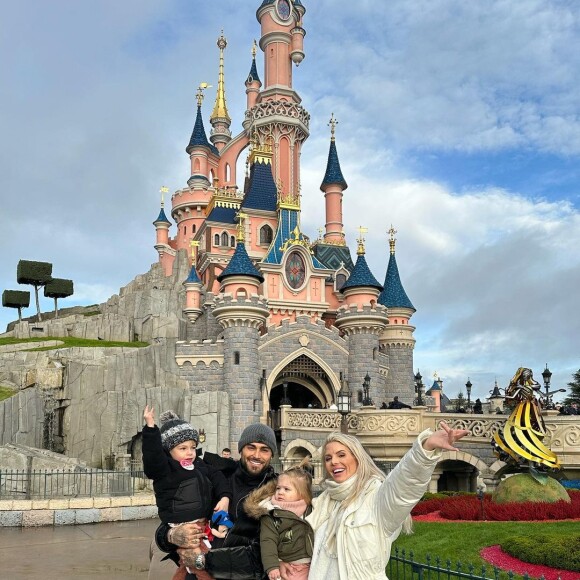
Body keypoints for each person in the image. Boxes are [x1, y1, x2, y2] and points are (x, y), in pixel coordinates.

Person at [306, 422, 469, 579]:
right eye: (328, 458)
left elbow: (403, 486)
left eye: (341, 455)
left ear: (357, 458)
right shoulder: (323, 503)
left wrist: (425, 448)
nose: (334, 461)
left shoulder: (376, 499)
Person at [154, 423, 279, 579]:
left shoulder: (278, 493)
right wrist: (171, 535)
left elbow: (266, 558)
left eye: (265, 450)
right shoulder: (214, 478)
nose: (257, 455)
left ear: (272, 454)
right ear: (241, 449)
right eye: (251, 447)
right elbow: (166, 526)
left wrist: (204, 561)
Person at [142, 406, 232, 580]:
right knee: (199, 563)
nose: (190, 452)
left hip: (203, 524)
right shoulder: (165, 469)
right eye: (182, 448)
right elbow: (152, 458)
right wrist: (151, 428)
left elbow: (217, 477)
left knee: (188, 566)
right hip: (182, 527)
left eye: (192, 447)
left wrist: (225, 496)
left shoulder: (198, 465)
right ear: (168, 450)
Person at [245, 464, 314, 580]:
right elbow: (268, 541)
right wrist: (272, 566)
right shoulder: (271, 514)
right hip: (290, 565)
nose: (280, 492)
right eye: (278, 488)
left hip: (312, 563)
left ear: (302, 493)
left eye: (286, 489)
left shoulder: (310, 508)